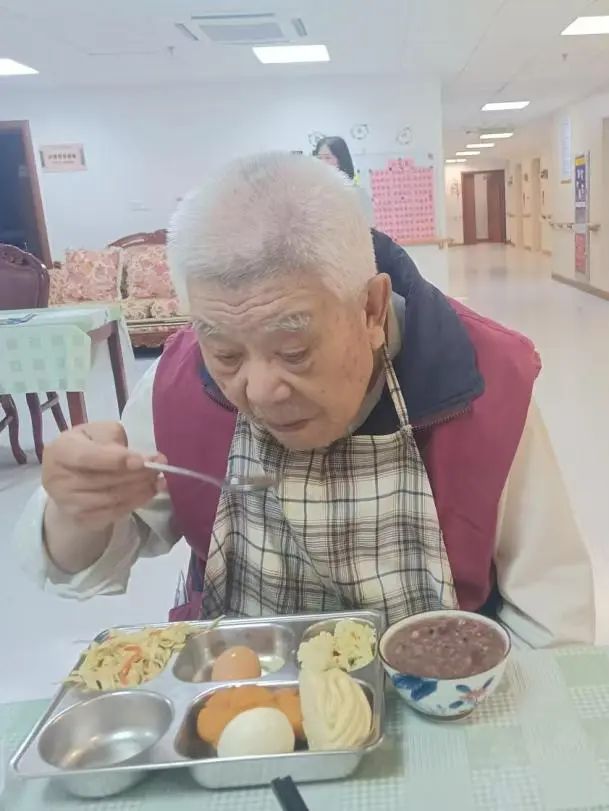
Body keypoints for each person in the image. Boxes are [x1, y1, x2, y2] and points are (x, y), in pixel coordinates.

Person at [15, 152, 594, 648]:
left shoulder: (483, 380)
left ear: (371, 310)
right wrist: (75, 508)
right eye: (227, 354)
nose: (260, 391)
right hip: (244, 689)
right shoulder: (178, 382)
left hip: (432, 698)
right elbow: (82, 562)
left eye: (293, 351)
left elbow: (552, 615)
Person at [313, 136, 374, 225]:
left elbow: (367, 225)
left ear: (340, 160)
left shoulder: (356, 192)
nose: (322, 162)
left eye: (327, 158)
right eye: (319, 158)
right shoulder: (313, 191)